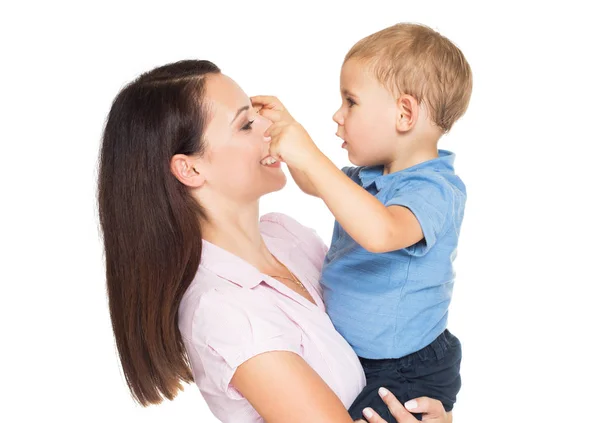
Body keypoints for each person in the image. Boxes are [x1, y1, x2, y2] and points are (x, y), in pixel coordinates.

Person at [98, 60, 451, 423]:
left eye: (259, 115)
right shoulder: (221, 311)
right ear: (190, 169)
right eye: (247, 124)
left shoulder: (286, 235)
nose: (270, 127)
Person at [251, 23, 472, 421]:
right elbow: (314, 181)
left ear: (405, 113)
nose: (337, 116)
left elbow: (381, 232)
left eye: (350, 102)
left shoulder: (435, 188)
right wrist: (289, 137)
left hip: (405, 368)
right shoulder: (367, 176)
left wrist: (310, 154)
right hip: (359, 356)